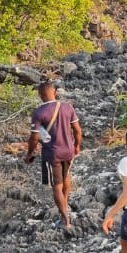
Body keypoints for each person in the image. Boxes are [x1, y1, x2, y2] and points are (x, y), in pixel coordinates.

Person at [24, 81, 82, 229]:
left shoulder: (39, 113)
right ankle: (65, 203)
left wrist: (29, 154)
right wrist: (76, 146)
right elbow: (77, 130)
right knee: (66, 176)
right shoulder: (67, 107)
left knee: (56, 187)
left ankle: (65, 220)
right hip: (68, 151)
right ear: (54, 92)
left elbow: (35, 138)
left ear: (40, 95)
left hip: (52, 154)